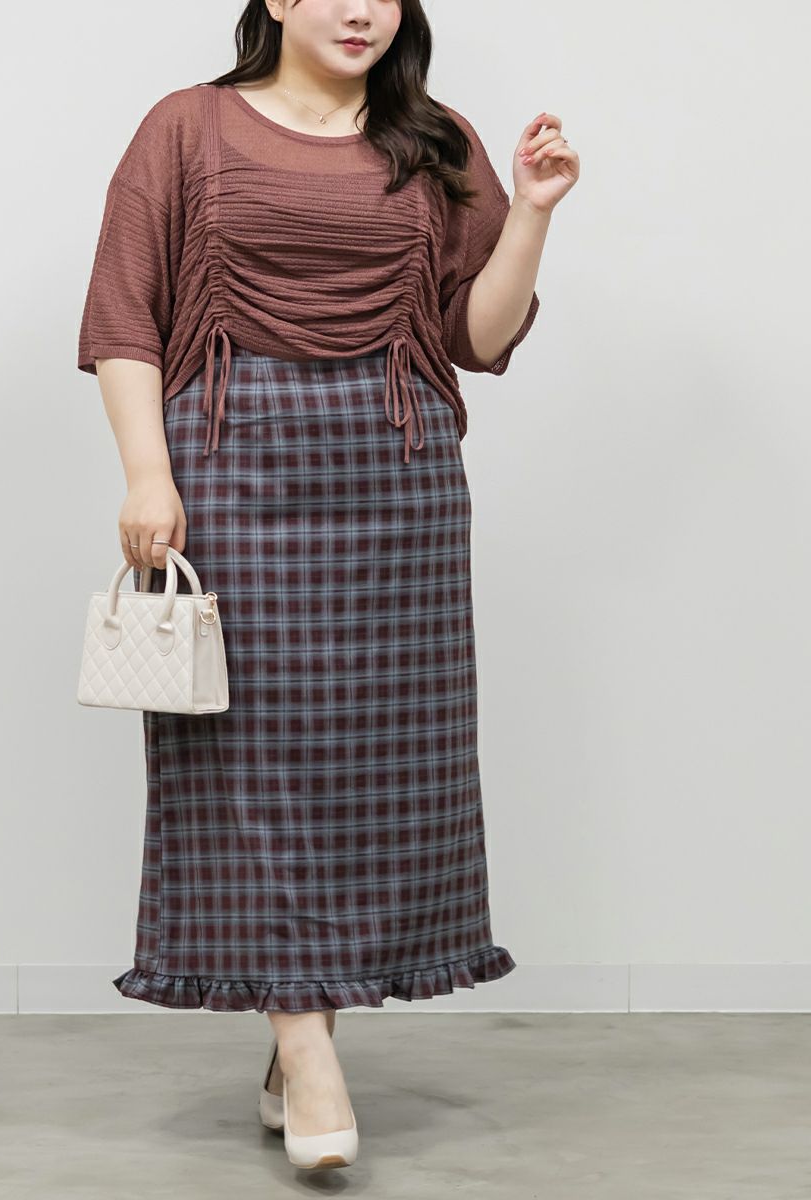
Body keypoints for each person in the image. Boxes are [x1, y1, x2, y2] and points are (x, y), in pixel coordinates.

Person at [76, 0, 577, 1172]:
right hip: (229, 468)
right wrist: (147, 474)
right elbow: (123, 313)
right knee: (247, 761)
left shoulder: (433, 137)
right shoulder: (186, 129)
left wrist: (532, 214)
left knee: (369, 766)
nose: (361, 11)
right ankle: (307, 1057)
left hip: (397, 478)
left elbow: (477, 337)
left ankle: (297, 1029)